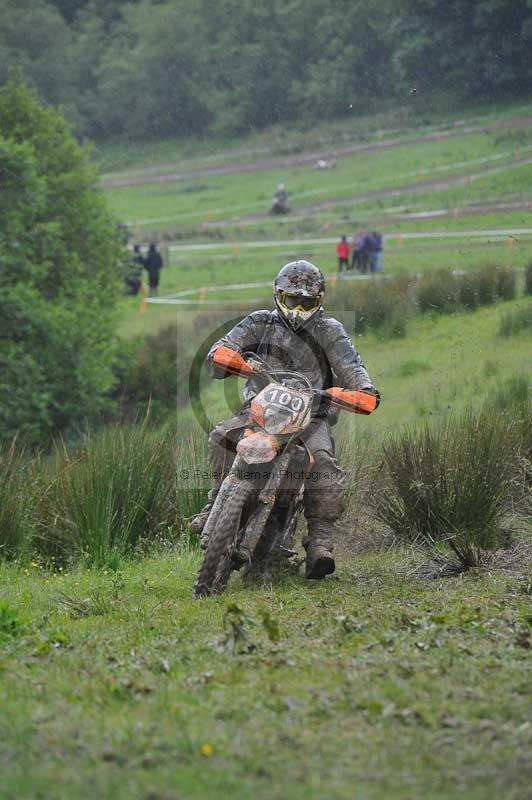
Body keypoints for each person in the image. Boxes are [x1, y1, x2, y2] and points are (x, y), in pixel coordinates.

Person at [190, 260, 380, 579]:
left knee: (323, 465)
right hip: (259, 408)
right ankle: (214, 503)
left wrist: (360, 391)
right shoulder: (259, 322)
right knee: (222, 436)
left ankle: (320, 541)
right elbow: (219, 352)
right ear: (279, 296)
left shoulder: (330, 331)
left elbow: (352, 369)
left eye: (308, 302)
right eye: (293, 300)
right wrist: (238, 363)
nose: (299, 307)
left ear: (319, 301)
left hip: (312, 417)